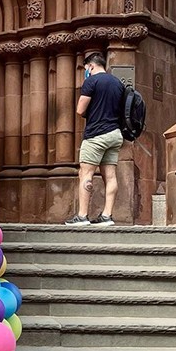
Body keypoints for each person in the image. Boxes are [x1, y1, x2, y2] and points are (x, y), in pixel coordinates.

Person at [65, 51, 125, 227]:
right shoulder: (117, 83)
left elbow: (80, 110)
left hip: (96, 134)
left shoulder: (91, 81)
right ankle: (107, 216)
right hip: (115, 134)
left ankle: (82, 216)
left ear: (91, 66)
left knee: (86, 173)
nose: (87, 72)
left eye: (86, 69)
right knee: (111, 175)